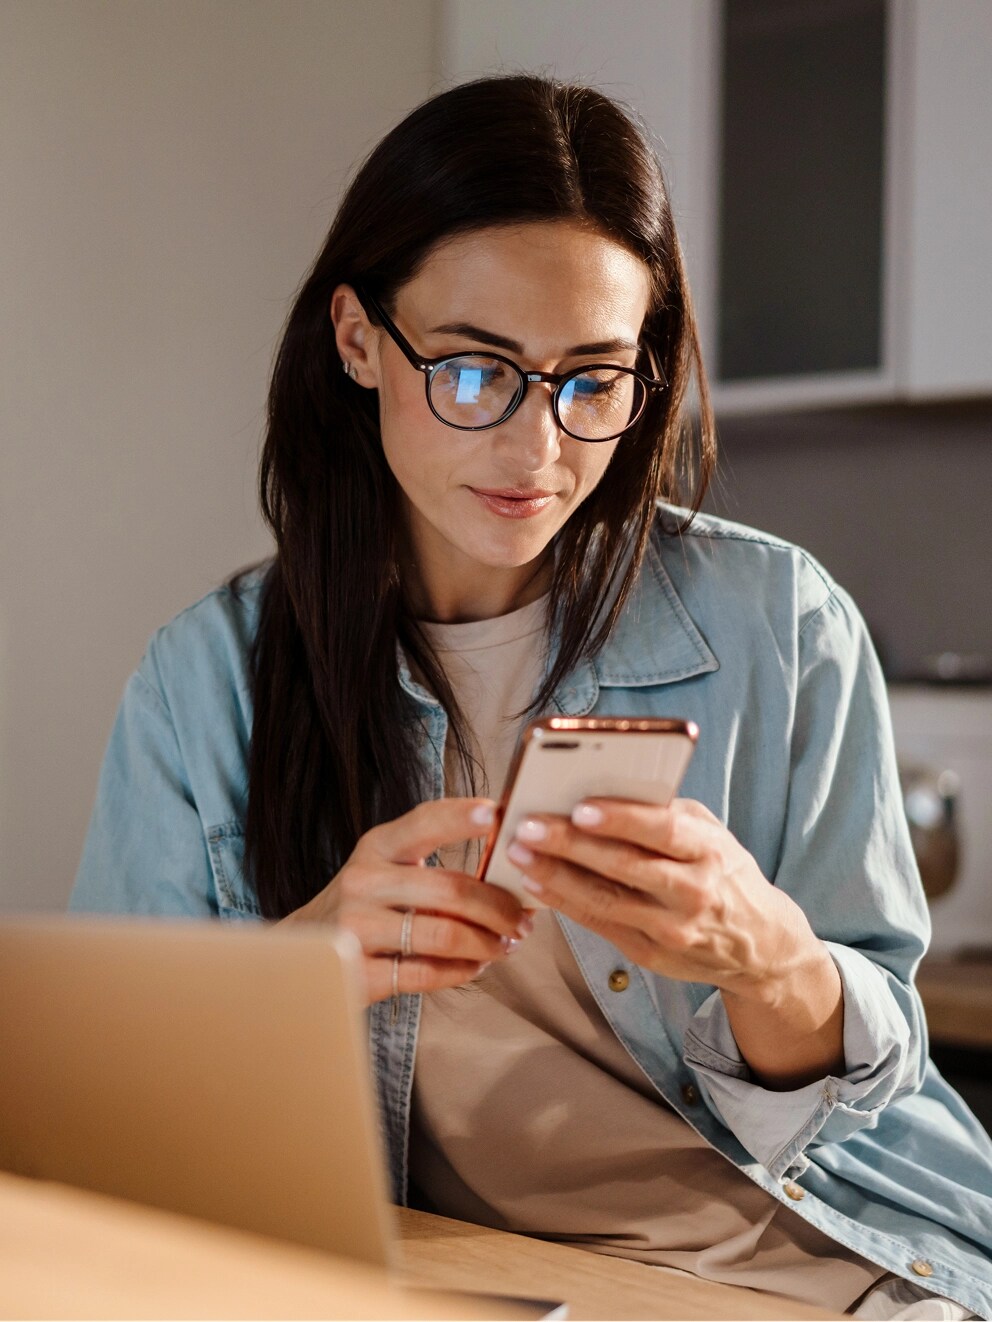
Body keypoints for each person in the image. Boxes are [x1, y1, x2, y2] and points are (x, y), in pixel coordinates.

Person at [71, 75, 992, 1319]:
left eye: (590, 381)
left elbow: (866, 1087)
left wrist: (763, 956)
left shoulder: (780, 624)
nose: (536, 450)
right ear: (356, 340)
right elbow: (101, 1113)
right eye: (472, 372)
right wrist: (305, 966)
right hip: (484, 1282)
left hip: (827, 1266)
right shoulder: (207, 681)